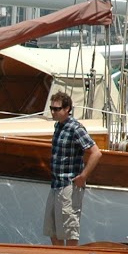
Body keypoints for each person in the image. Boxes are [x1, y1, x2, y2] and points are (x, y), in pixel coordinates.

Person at [44, 91, 102, 246]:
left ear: (67, 108)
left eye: (57, 109)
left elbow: (96, 153)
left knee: (69, 229)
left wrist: (83, 176)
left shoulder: (75, 128)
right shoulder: (58, 126)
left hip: (69, 185)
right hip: (56, 184)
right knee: (52, 229)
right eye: (52, 108)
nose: (53, 112)